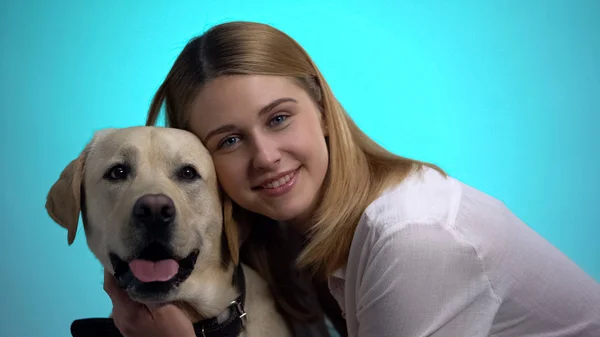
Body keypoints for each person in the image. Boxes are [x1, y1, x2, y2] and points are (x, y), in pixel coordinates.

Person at [103, 21, 600, 337]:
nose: (266, 157)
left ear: (321, 108)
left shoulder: (414, 239)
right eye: (229, 141)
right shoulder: (280, 236)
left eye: (278, 119)